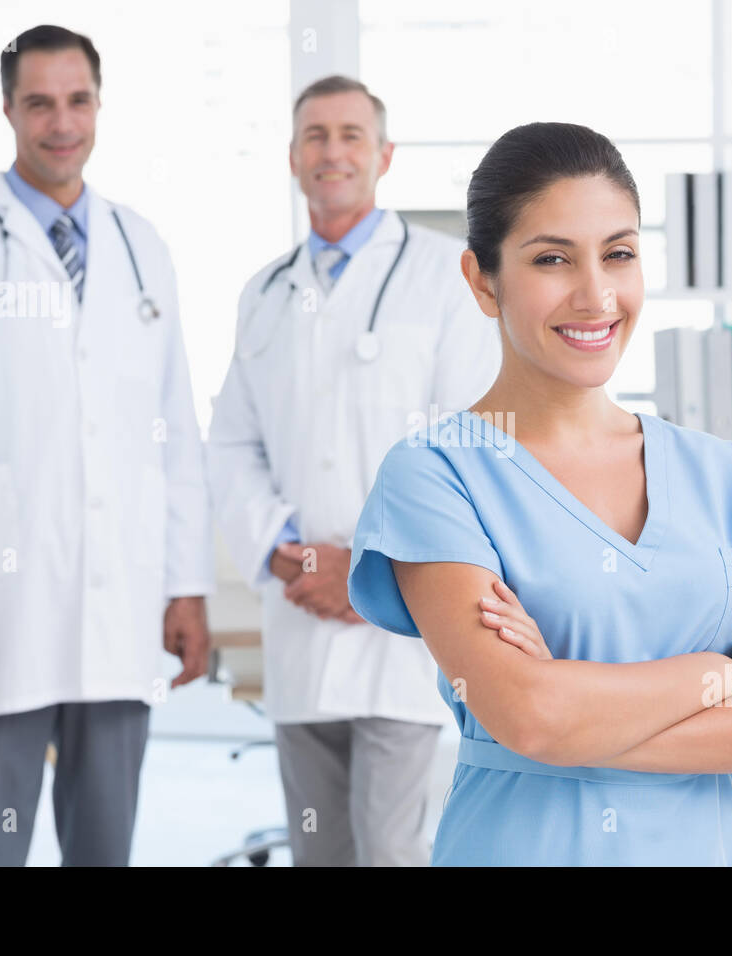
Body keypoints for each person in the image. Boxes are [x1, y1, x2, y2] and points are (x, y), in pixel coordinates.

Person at [347, 121, 732, 865]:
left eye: (619, 254)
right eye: (552, 259)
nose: (596, 295)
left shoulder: (712, 471)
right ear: (482, 280)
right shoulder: (436, 473)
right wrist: (712, 676)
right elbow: (533, 717)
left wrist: (583, 714)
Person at [0, 24, 214, 866]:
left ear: (99, 104)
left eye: (78, 100)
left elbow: (174, 436)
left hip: (120, 609)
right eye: (40, 104)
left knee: (104, 852)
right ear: (8, 110)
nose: (62, 123)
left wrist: (188, 584)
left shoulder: (143, 249)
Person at [207, 76, 500, 866]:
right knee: (319, 852)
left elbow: (465, 446)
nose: (332, 151)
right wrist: (286, 553)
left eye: (350, 134)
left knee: (388, 849)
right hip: (299, 623)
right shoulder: (264, 293)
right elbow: (232, 444)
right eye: (314, 136)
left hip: (401, 624)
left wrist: (359, 571)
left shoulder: (447, 275)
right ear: (293, 158)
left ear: (384, 155)